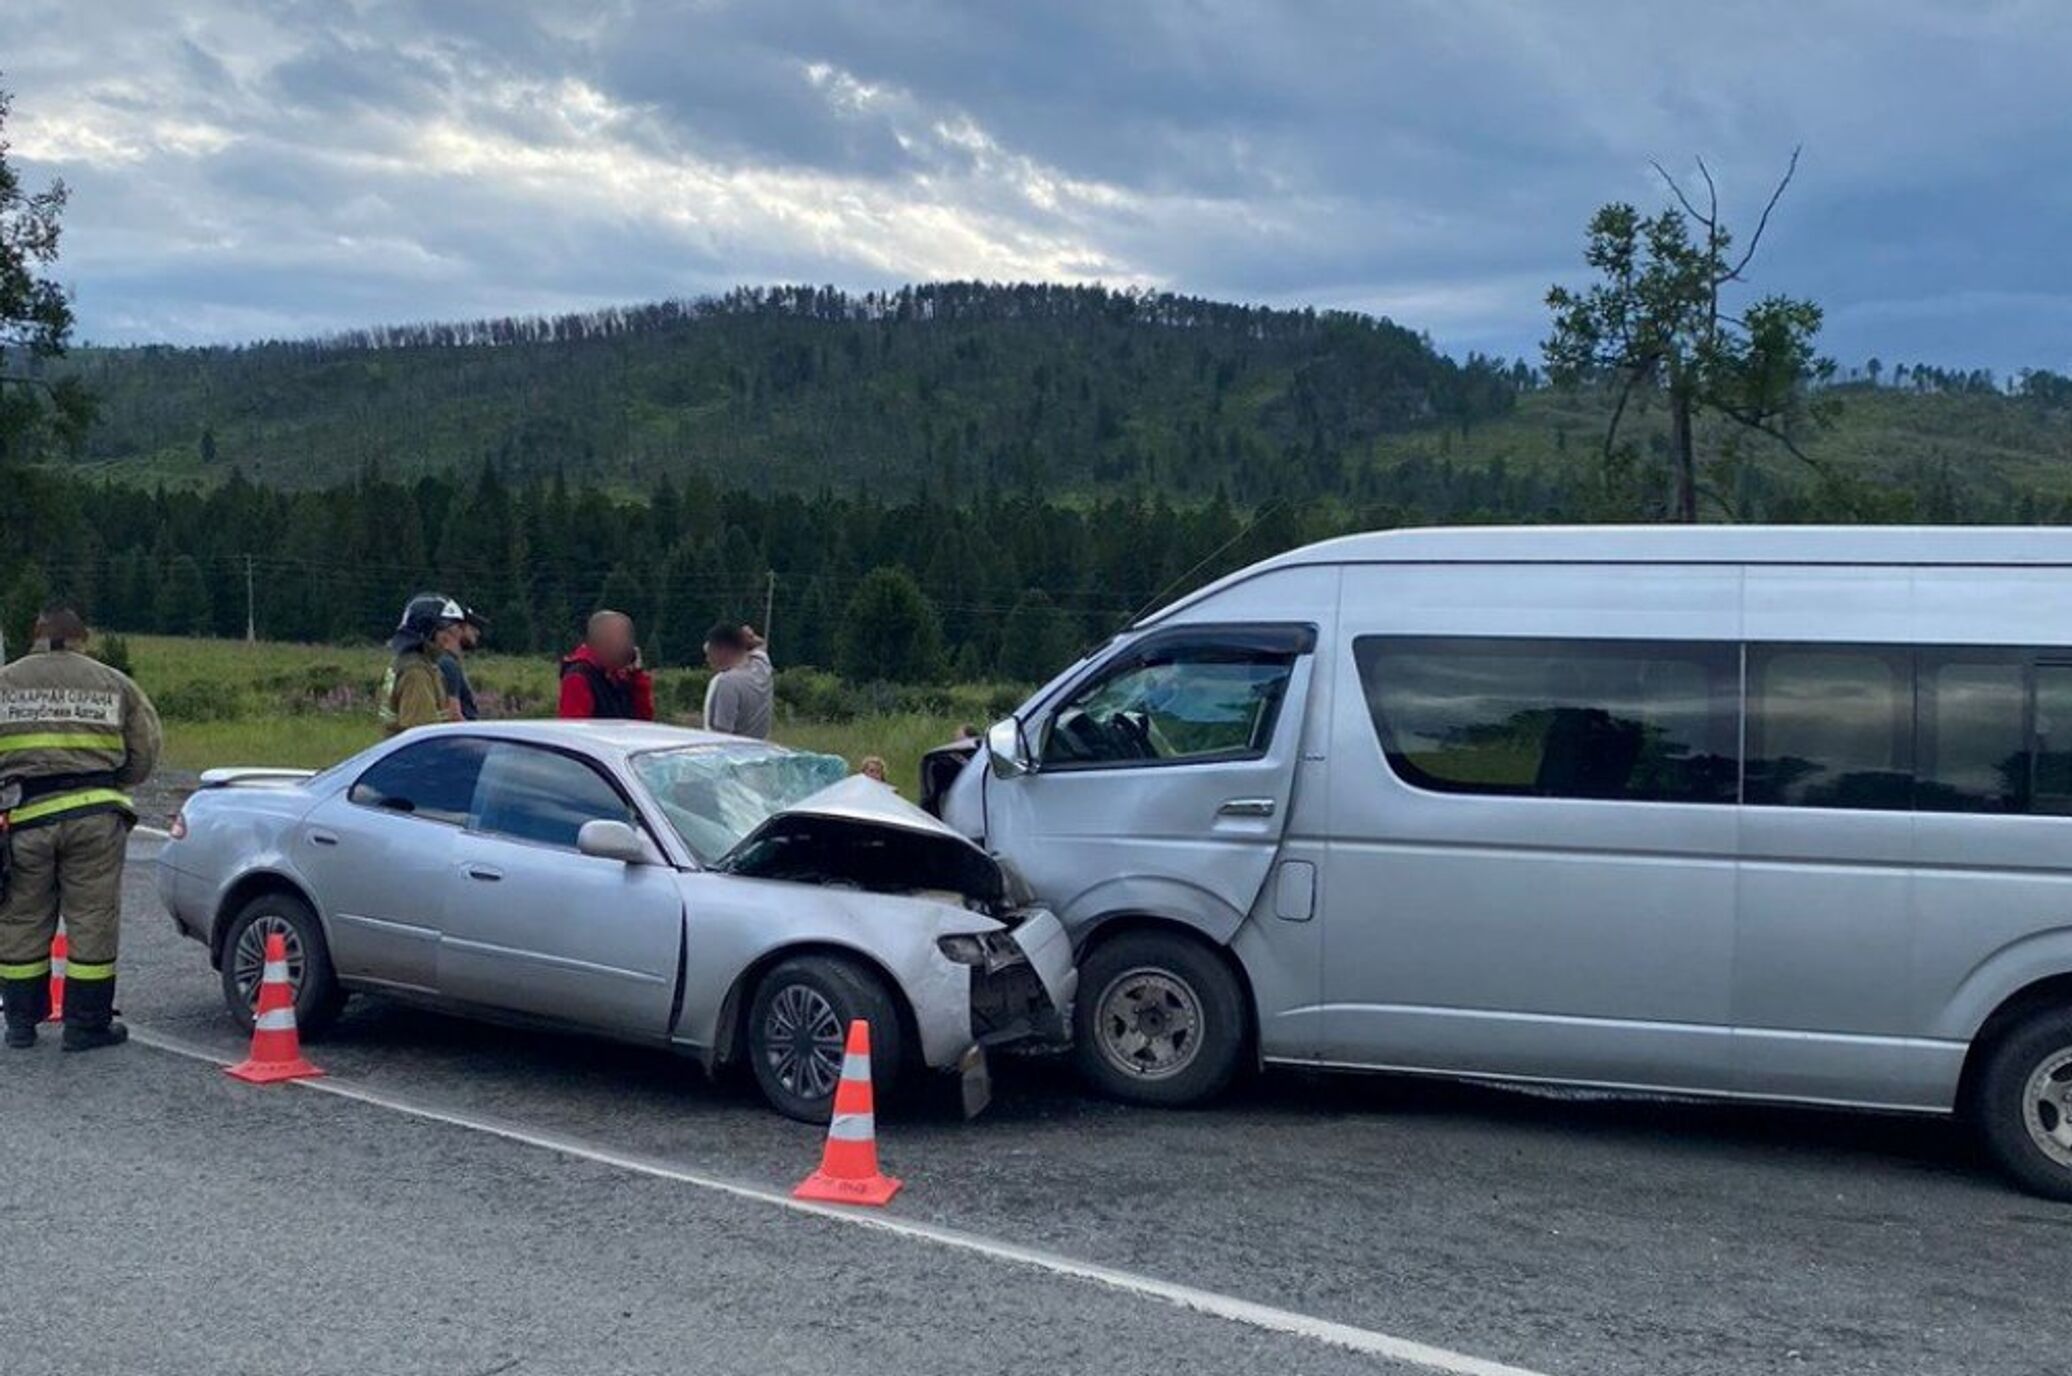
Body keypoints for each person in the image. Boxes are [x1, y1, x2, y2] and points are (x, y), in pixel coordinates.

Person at [0, 604, 162, 1051]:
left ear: (36, 635)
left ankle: (19, 1024)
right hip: (95, 816)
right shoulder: (114, 682)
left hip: (25, 818)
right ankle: (86, 1025)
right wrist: (113, 781)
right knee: (92, 918)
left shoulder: (5, 682)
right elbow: (145, 749)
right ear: (81, 638)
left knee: (22, 917)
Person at [380, 594, 466, 734]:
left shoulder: (414, 662)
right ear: (428, 631)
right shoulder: (417, 673)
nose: (450, 638)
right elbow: (421, 734)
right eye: (447, 631)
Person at [558, 610, 655, 720]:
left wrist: (638, 677)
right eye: (621, 639)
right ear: (602, 641)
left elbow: (643, 721)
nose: (629, 646)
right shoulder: (579, 676)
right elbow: (574, 729)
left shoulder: (621, 676)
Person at [702, 622, 773, 739]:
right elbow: (760, 644)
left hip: (735, 753)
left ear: (723, 650)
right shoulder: (762, 666)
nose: (708, 659)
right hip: (760, 749)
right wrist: (747, 637)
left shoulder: (727, 683)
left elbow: (721, 735)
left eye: (710, 653)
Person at [439, 605, 488, 721]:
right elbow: (454, 715)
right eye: (472, 627)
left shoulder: (450, 662)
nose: (477, 633)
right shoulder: (448, 664)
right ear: (458, 629)